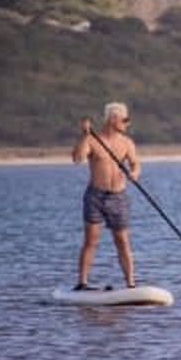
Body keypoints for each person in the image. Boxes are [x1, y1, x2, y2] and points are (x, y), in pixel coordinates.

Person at [71, 102, 140, 290]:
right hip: (95, 196)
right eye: (125, 120)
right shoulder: (93, 140)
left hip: (118, 197)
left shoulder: (127, 143)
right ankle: (82, 282)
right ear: (113, 119)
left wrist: (134, 174)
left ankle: (131, 284)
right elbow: (78, 159)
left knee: (122, 241)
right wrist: (85, 135)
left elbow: (135, 164)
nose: (127, 123)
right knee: (91, 240)